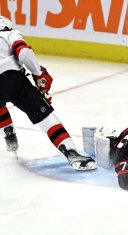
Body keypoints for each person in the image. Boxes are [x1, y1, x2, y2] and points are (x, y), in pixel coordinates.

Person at [0, 16, 96, 171]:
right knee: (46, 118)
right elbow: (24, 53)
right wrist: (38, 74)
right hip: (13, 80)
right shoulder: (10, 34)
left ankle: (8, 133)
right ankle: (71, 152)